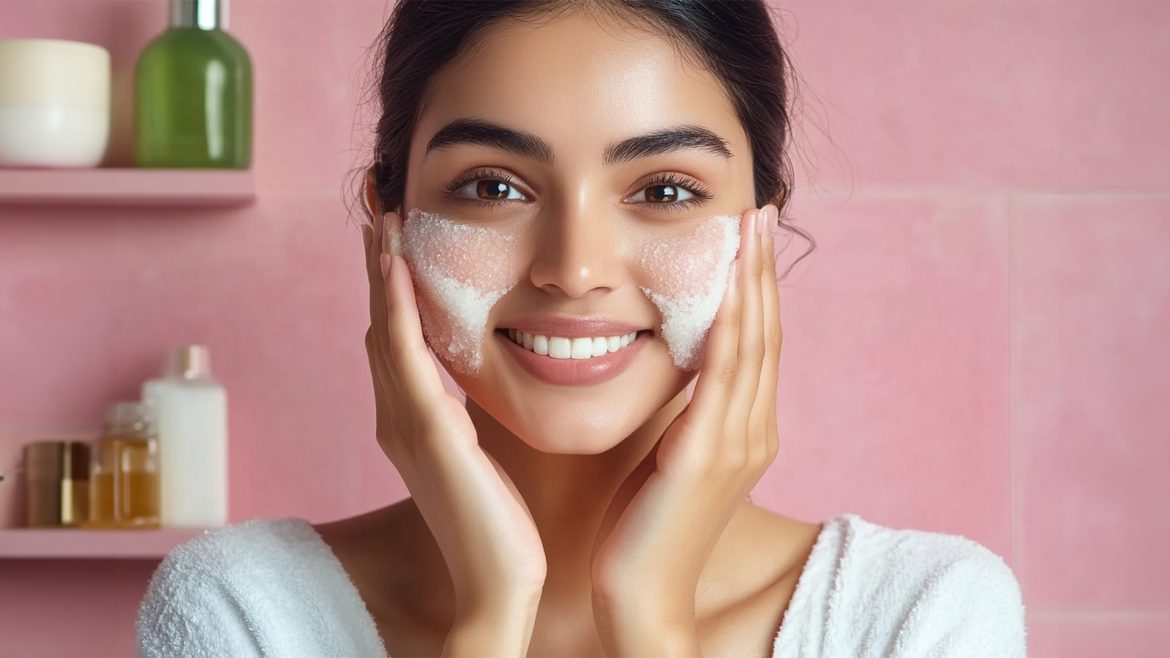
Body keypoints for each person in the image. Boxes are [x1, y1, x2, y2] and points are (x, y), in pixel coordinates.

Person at [136, 1, 1027, 657]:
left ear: (760, 226)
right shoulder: (247, 612)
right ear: (389, 222)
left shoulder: (923, 616)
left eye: (666, 191)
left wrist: (652, 618)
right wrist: (490, 615)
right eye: (493, 186)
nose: (574, 266)